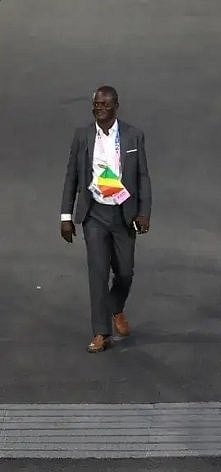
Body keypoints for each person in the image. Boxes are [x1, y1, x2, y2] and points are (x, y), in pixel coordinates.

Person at [60, 85, 152, 353]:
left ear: (116, 107)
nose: (100, 109)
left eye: (105, 105)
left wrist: (144, 212)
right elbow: (71, 177)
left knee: (125, 272)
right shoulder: (82, 136)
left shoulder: (134, 136)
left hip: (124, 213)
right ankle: (101, 332)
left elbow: (143, 177)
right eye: (96, 105)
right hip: (95, 214)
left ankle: (115, 307)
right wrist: (66, 215)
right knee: (98, 273)